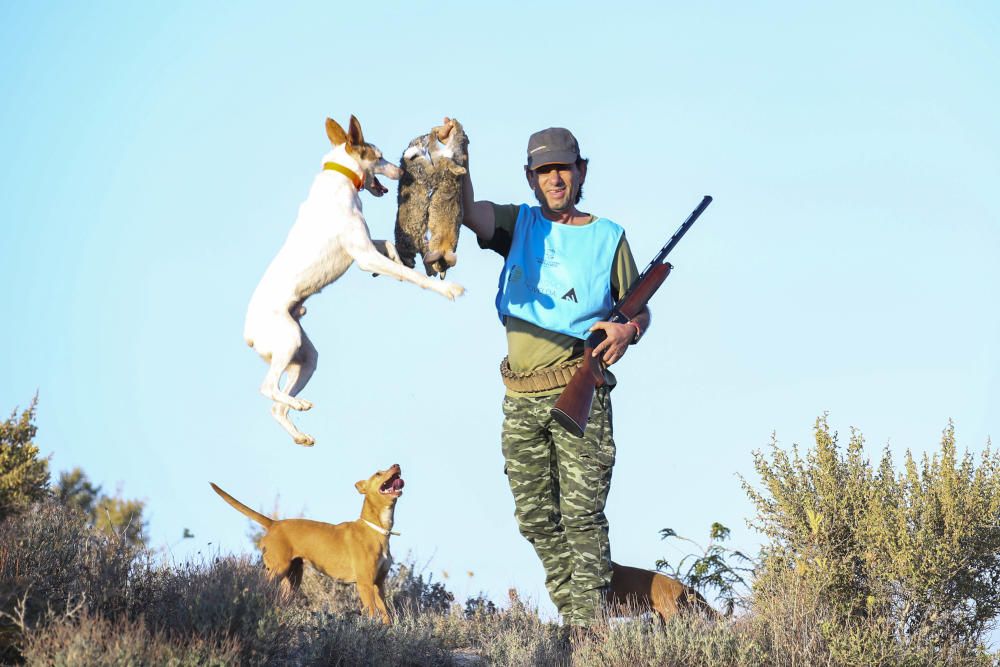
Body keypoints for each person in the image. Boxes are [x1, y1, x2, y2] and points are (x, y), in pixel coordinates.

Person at [457, 121, 651, 630]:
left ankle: (587, 632)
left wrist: (627, 330)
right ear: (530, 178)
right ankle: (581, 616)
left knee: (583, 517)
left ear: (581, 171)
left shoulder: (609, 237)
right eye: (544, 171)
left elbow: (639, 307)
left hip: (577, 389)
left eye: (563, 168)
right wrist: (458, 160)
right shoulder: (515, 224)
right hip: (520, 397)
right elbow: (466, 213)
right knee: (537, 519)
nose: (555, 178)